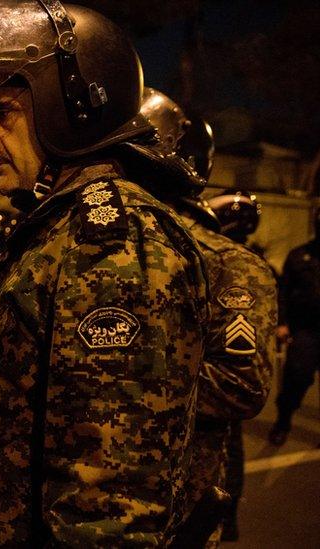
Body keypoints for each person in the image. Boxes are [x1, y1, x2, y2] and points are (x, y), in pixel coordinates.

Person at [0, 1, 211, 544]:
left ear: (72, 107)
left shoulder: (113, 247)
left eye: (2, 112)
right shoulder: (61, 227)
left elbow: (108, 511)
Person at [136, 89, 277, 544]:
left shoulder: (225, 262)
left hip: (168, 506)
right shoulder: (106, 243)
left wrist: (117, 378)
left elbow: (240, 386)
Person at [267, 204, 320, 448]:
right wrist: (282, 323)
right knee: (296, 378)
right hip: (305, 330)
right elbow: (283, 292)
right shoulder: (299, 256)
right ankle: (283, 421)